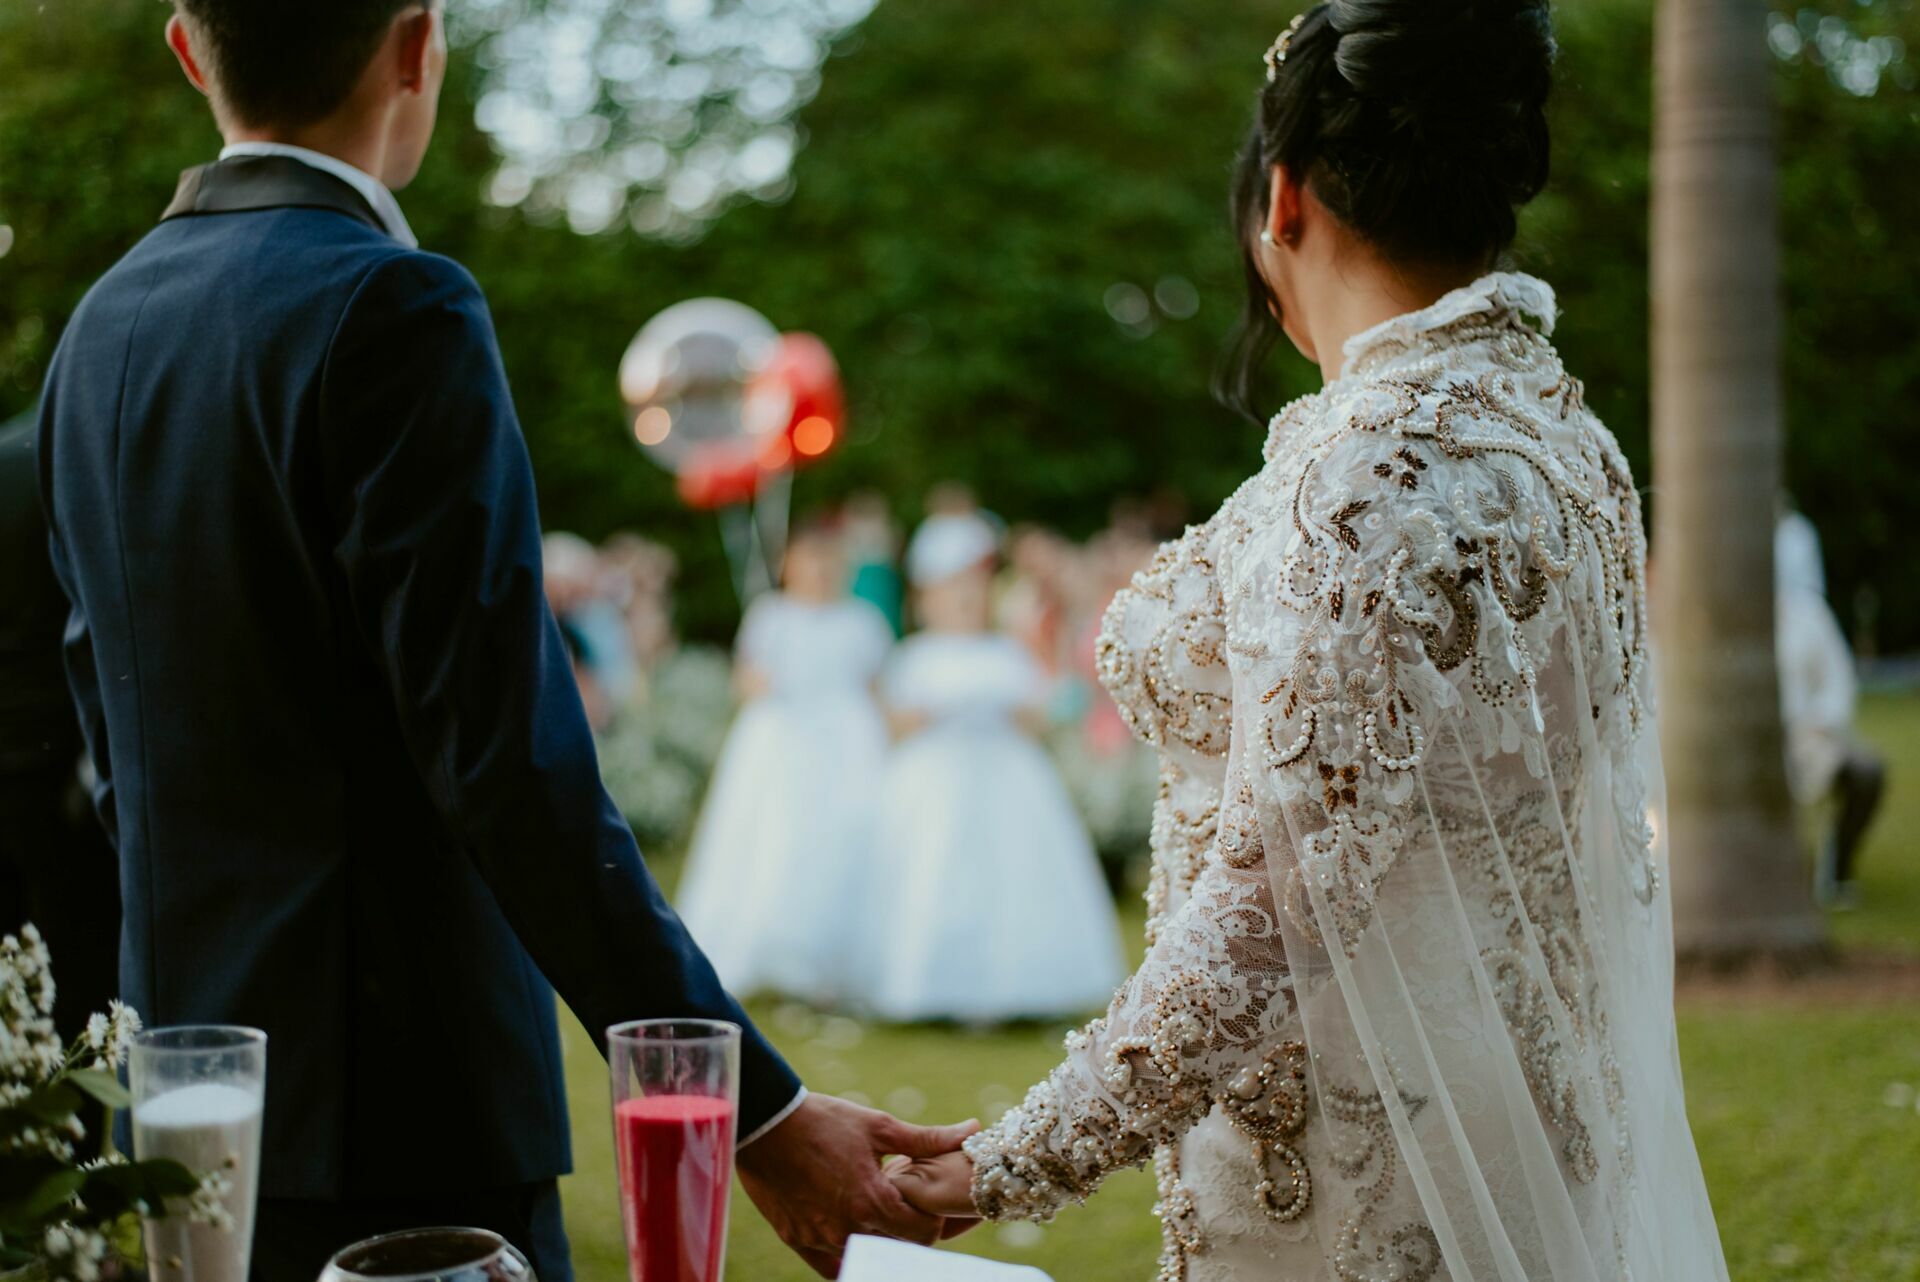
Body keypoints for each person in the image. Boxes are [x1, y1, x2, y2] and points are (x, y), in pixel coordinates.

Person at [36, 4, 971, 1277]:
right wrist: (756, 1107)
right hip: (410, 1113)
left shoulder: (97, 330)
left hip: (187, 1104)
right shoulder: (392, 304)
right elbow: (509, 765)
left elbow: (107, 735)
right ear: (416, 47)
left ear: (190, 53)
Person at [887, 3, 1733, 1279]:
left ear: (1283, 200)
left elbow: (1277, 904)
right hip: (1516, 1116)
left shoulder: (1362, 480)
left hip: (1354, 1166)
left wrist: (1011, 1159)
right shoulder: (1575, 450)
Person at [856, 513, 1125, 1023]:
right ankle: (924, 982)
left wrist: (1008, 710)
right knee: (931, 869)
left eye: (972, 591)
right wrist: (931, 713)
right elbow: (894, 722)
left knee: (1012, 871)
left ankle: (1013, 987)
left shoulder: (1006, 652)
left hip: (1006, 777)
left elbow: (1036, 713)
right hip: (934, 781)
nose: (965, 602)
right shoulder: (916, 655)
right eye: (952, 591)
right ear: (929, 599)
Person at [676, 519, 896, 1004]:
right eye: (810, 559)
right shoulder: (770, 615)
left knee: (845, 838)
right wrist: (764, 684)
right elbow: (745, 679)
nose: (820, 570)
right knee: (774, 838)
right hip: (780, 746)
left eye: (830, 560)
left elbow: (880, 690)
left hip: (847, 748)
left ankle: (835, 964)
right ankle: (765, 956)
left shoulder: (863, 621)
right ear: (788, 564)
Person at [0, 411, 121, 1056]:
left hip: (16, 767)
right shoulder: (68, 458)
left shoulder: (11, 456)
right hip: (59, 786)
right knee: (77, 987)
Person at [1775, 508, 1884, 906]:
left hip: (1806, 734)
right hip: (1746, 738)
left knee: (1866, 771)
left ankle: (1836, 869)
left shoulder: (1810, 617)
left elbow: (1838, 678)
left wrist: (1822, 720)